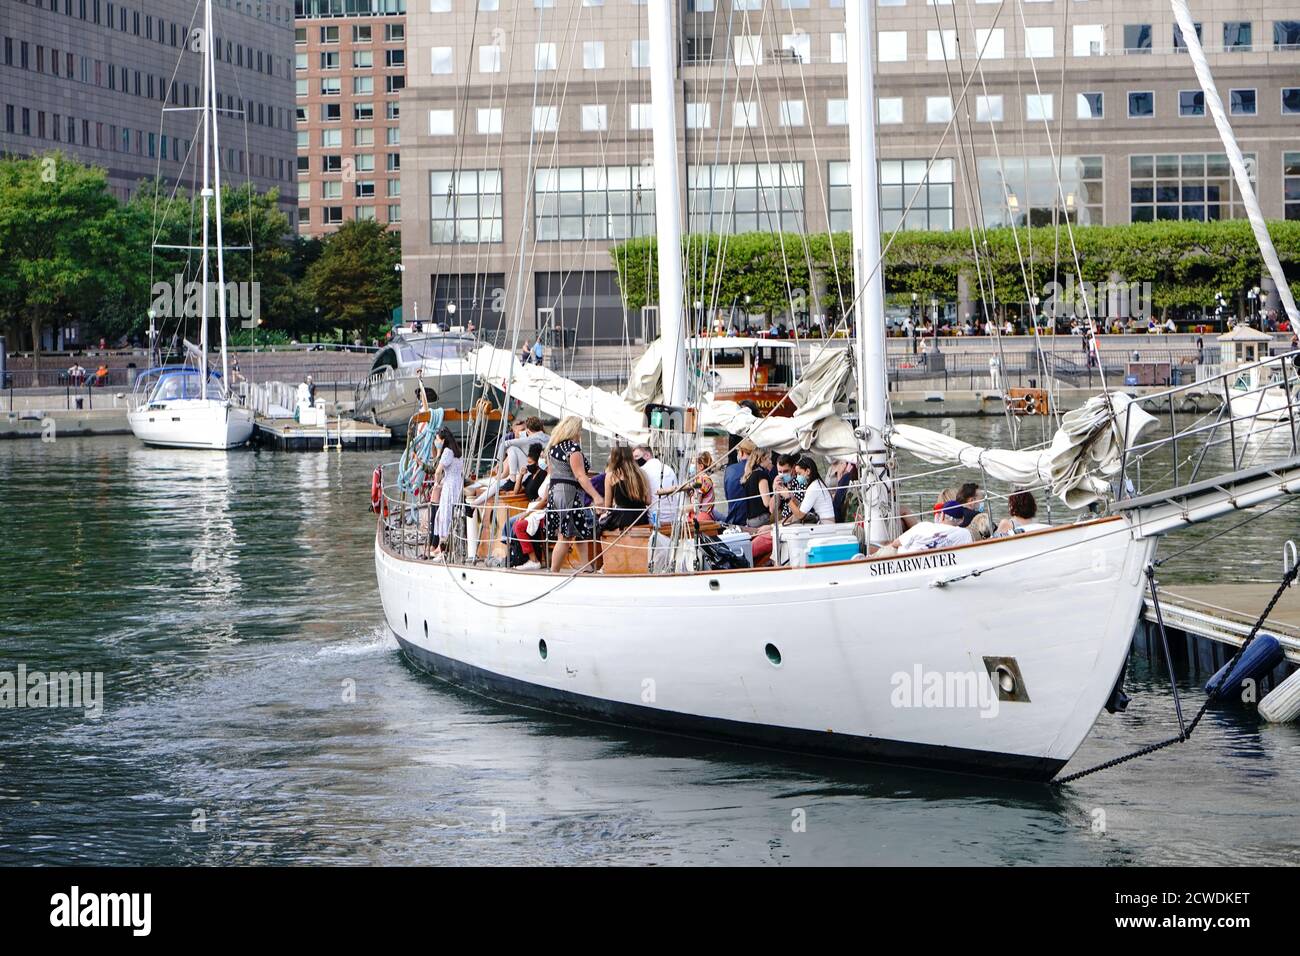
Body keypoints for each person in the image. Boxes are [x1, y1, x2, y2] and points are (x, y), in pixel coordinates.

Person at [545, 416, 603, 573]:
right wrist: (596, 496)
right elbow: (580, 476)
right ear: (574, 430)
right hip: (569, 493)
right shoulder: (572, 449)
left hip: (555, 492)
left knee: (579, 530)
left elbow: (553, 473)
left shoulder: (553, 448)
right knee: (565, 536)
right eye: (580, 429)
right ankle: (554, 572)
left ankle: (586, 566)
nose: (581, 432)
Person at [879, 500, 972, 555]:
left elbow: (895, 544)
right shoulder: (965, 534)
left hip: (906, 563)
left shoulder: (923, 526)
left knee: (886, 547)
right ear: (961, 520)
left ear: (942, 515)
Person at [428, 427, 464, 561]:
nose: (436, 441)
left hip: (449, 486)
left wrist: (437, 483)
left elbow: (438, 471)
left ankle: (442, 547)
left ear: (443, 440)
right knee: (448, 514)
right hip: (457, 484)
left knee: (444, 515)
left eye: (437, 439)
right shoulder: (457, 451)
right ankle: (442, 545)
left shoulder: (447, 452)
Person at [658, 450, 721, 524]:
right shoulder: (699, 478)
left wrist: (680, 510)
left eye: (693, 463)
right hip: (698, 514)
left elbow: (696, 505)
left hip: (702, 517)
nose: (691, 466)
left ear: (701, 466)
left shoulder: (703, 480)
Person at [778, 456, 836, 525]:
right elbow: (802, 508)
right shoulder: (816, 484)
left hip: (826, 524)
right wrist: (792, 498)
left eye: (799, 473)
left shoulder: (813, 488)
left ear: (808, 471)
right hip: (825, 523)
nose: (797, 477)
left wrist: (787, 499)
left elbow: (800, 515)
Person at [634, 443, 681, 526]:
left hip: (655, 520)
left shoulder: (642, 471)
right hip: (673, 518)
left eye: (636, 457)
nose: (635, 461)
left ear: (647, 455)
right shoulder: (669, 469)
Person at [723, 441, 752, 526]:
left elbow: (727, 496)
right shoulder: (756, 469)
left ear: (741, 452)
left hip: (733, 518)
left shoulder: (729, 470)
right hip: (750, 520)